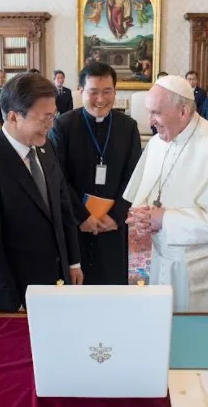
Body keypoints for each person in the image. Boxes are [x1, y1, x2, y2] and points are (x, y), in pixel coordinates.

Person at [124, 75, 208, 312]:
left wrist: (164, 219)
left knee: (203, 329)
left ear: (183, 112)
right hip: (167, 257)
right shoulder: (158, 143)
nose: (150, 121)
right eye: (149, 112)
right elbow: (150, 195)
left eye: (156, 113)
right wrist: (144, 216)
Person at [0, 72, 83, 312]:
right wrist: (10, 303)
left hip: (58, 277)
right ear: (14, 116)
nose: (51, 125)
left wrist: (73, 262)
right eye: (44, 118)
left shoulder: (45, 147)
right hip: (18, 290)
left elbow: (63, 208)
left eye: (53, 116)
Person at [50, 62, 141, 285]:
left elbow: (134, 175)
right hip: (76, 223)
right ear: (81, 91)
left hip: (112, 223)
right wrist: (81, 216)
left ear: (115, 92)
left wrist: (117, 216)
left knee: (112, 283)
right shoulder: (63, 125)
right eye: (93, 92)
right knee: (77, 285)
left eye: (107, 91)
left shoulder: (128, 126)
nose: (100, 99)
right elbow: (57, 176)